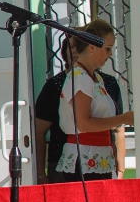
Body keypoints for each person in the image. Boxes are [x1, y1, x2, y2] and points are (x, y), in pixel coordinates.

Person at [35, 38, 126, 183]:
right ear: (64, 52)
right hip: (64, 164)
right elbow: (39, 131)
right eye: (72, 47)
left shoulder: (108, 82)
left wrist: (120, 168)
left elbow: (118, 129)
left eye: (80, 46)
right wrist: (40, 174)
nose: (76, 51)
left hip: (104, 159)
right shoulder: (55, 85)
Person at [54, 18, 134, 181]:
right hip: (84, 158)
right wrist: (123, 119)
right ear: (92, 47)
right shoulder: (80, 77)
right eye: (107, 49)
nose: (110, 55)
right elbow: (83, 124)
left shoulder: (95, 77)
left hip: (98, 157)